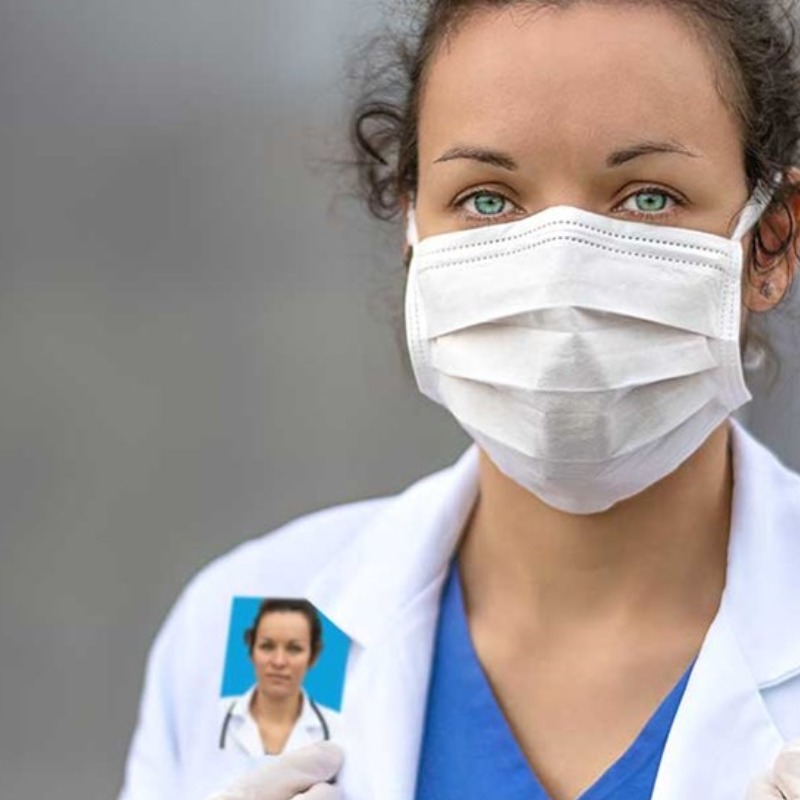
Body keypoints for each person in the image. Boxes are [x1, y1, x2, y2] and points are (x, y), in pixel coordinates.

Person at [118, 1, 800, 799]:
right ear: (412, 232)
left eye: (647, 197)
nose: (559, 272)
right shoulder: (245, 625)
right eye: (487, 199)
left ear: (770, 242)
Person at [217, 599, 337, 759]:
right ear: (251, 651)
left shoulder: (339, 730)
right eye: (267, 646)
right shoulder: (212, 717)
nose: (279, 661)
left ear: (313, 656)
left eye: (294, 649)